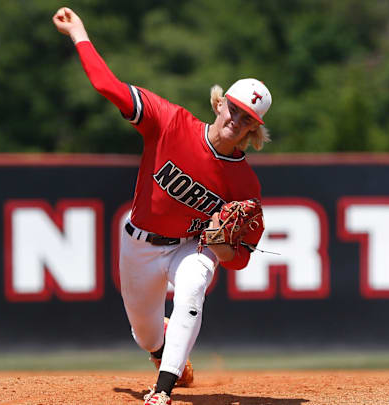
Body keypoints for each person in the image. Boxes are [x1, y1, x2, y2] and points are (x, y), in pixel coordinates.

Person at [53, 7, 272, 405]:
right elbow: (108, 86)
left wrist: (221, 248)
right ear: (219, 103)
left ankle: (163, 388)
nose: (237, 120)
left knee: (193, 286)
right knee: (145, 334)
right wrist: (79, 33)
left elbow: (240, 258)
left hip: (190, 246)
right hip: (139, 243)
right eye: (234, 109)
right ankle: (160, 350)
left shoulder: (245, 184)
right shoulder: (170, 122)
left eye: (248, 120)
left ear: (254, 132)